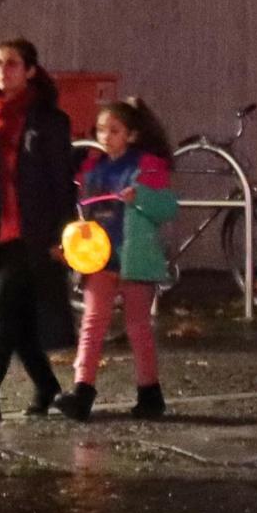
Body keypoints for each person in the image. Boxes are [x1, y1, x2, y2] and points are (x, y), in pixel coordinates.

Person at [59, 99, 178, 421]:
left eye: (114, 130)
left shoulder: (147, 166)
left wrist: (141, 197)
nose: (106, 136)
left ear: (132, 134)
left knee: (138, 327)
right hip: (99, 258)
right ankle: (82, 390)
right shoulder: (93, 167)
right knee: (92, 324)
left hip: (135, 258)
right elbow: (82, 208)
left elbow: (167, 208)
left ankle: (149, 392)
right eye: (101, 130)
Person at [0, 39, 77, 419]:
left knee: (0, 312)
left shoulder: (49, 120)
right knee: (16, 320)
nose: (3, 70)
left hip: (31, 233)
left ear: (31, 70)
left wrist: (62, 235)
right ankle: (46, 385)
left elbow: (61, 181)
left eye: (13, 64)